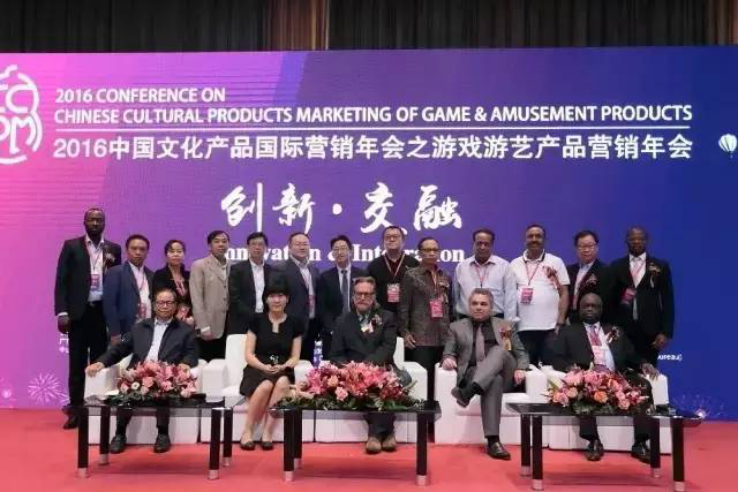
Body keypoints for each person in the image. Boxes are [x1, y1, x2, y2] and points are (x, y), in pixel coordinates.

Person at [86, 288, 199, 454]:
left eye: (169, 302)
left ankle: (162, 434)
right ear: (154, 305)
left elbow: (192, 352)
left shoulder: (185, 330)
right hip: (138, 373)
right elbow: (120, 349)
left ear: (176, 306)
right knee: (126, 391)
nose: (165, 306)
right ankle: (119, 434)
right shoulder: (140, 327)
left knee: (163, 389)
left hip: (164, 373)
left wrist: (185, 364)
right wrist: (101, 362)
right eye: (161, 302)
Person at [551, 293, 660, 463]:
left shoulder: (615, 330)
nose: (589, 309)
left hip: (617, 376)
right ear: (579, 309)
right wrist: (570, 368)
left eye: (594, 306)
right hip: (589, 376)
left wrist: (644, 363)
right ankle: (593, 441)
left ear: (601, 310)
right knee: (582, 387)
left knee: (643, 385)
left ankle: (640, 443)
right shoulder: (568, 332)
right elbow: (555, 357)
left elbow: (631, 354)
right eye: (586, 306)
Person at [54, 208, 121, 429]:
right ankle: (75, 410)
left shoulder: (113, 249)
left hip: (102, 313)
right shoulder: (71, 246)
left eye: (99, 220)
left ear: (105, 223)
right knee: (77, 364)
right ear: (84, 222)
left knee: (100, 363)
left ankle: (96, 409)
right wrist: (62, 312)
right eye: (91, 219)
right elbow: (61, 280)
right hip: (78, 314)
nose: (95, 223)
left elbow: (116, 283)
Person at [443, 289, 528, 460]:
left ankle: (467, 392)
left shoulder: (504, 326)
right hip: (474, 373)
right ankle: (493, 442)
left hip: (505, 372)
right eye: (474, 303)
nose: (479, 307)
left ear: (491, 307)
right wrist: (448, 358)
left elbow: (521, 354)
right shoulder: (456, 327)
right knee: (493, 380)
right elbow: (448, 352)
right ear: (469, 306)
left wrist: (521, 367)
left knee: (499, 351)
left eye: (483, 304)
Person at [330, 277, 410, 455]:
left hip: (381, 366)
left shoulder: (387, 317)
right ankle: (387, 433)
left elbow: (387, 348)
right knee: (363, 384)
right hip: (352, 371)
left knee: (391, 381)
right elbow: (336, 354)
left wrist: (367, 368)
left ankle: (374, 435)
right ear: (353, 296)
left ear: (374, 297)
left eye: (367, 294)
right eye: (359, 294)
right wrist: (351, 369)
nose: (362, 298)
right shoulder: (342, 321)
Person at [239, 282, 303, 451]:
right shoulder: (256, 320)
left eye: (280, 296)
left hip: (282, 368)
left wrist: (283, 366)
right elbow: (248, 354)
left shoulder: (295, 323)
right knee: (266, 384)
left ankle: (267, 432)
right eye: (272, 296)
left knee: (282, 382)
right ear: (266, 299)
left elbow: (295, 356)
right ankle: (247, 431)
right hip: (258, 367)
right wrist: (263, 367)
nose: (276, 300)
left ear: (287, 299)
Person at [398, 237, 451, 410]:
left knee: (441, 382)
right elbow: (403, 306)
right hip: (420, 336)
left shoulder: (445, 276)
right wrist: (405, 332)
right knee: (423, 382)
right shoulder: (411, 275)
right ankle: (422, 419)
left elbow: (451, 306)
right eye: (427, 250)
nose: (431, 253)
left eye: (435, 250)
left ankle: (438, 420)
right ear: (420, 253)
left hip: (443, 336)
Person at [608, 227, 675, 365]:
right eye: (632, 239)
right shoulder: (616, 266)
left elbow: (668, 300)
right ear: (626, 241)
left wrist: (666, 332)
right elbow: (611, 300)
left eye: (640, 238)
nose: (637, 241)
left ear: (647, 241)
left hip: (650, 332)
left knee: (648, 373)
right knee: (621, 372)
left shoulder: (660, 266)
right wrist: (610, 327)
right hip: (622, 331)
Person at [509, 225, 570, 366]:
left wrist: (560, 322)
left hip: (550, 328)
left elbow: (564, 292)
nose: (534, 239)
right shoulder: (514, 264)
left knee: (551, 367)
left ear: (545, 240)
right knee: (527, 368)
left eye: (538, 236)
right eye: (530, 236)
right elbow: (510, 296)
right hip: (523, 328)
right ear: (525, 240)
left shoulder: (556, 262)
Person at [273, 232, 321, 361]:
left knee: (309, 364)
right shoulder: (280, 268)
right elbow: (275, 297)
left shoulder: (314, 269)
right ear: (289, 247)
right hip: (289, 325)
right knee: (288, 363)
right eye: (298, 244)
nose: (302, 247)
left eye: (305, 244)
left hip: (312, 324)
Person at [318, 235, 367, 357]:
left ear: (350, 251)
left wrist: (364, 327)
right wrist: (332, 329)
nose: (339, 252)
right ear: (332, 254)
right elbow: (322, 308)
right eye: (336, 249)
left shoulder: (363, 275)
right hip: (333, 333)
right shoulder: (325, 277)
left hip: (358, 330)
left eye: (343, 248)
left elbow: (368, 303)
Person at [454, 228, 517, 321]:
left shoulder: (504, 267)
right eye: (479, 243)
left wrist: (508, 323)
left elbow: (510, 299)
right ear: (473, 244)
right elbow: (455, 297)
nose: (482, 247)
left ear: (491, 246)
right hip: (466, 321)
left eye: (486, 244)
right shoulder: (461, 267)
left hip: (496, 321)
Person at [104, 234, 154, 344]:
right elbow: (109, 305)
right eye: (134, 248)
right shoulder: (115, 272)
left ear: (147, 252)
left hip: (148, 329)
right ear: (127, 251)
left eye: (142, 249)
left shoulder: (152, 275)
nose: (138, 252)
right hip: (124, 330)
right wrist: (114, 333)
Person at [190, 230, 231, 361]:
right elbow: (196, 297)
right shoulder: (199, 265)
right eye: (217, 241)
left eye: (224, 241)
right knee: (207, 364)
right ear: (209, 245)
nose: (221, 244)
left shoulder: (233, 265)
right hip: (209, 324)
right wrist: (202, 325)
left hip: (229, 325)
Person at [367, 225, 420, 314]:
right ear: (383, 242)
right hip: (381, 314)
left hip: (408, 314)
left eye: (395, 236)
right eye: (388, 237)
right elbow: (369, 291)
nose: (391, 239)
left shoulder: (414, 264)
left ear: (403, 241)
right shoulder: (374, 265)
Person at [229, 232, 274, 335]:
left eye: (261, 244)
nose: (257, 247)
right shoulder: (237, 269)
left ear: (266, 248)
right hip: (242, 321)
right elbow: (234, 297)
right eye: (253, 244)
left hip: (266, 319)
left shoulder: (272, 270)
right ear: (247, 247)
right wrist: (252, 315)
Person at [566, 230, 609, 324]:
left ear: (597, 248)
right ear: (576, 249)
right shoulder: (568, 270)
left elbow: (604, 301)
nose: (586, 250)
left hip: (592, 321)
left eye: (590, 246)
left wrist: (574, 319)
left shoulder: (605, 271)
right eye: (582, 246)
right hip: (568, 321)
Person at [152, 239, 193, 326]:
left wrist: (192, 317)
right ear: (166, 255)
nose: (176, 254)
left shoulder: (189, 275)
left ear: (184, 254)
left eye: (179, 251)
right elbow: (160, 299)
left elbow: (195, 299)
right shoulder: (160, 274)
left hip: (189, 320)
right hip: (167, 320)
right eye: (172, 251)